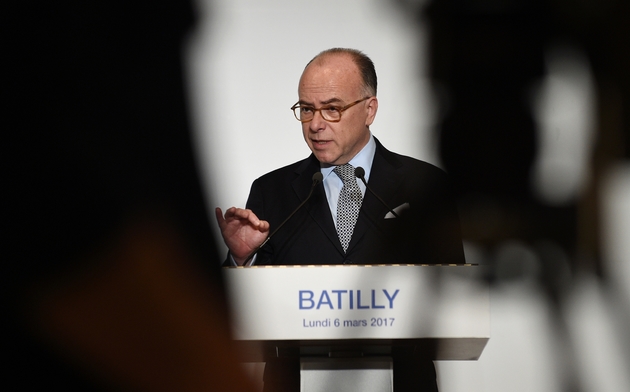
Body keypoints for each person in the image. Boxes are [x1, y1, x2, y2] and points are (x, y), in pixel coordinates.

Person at [216, 48, 465, 391]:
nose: (315, 125)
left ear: (369, 109)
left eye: (332, 109)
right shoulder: (271, 191)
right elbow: (241, 314)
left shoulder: (426, 186)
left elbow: (454, 297)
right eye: (306, 109)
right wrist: (242, 260)